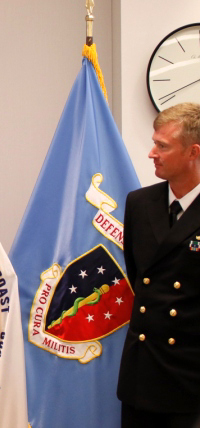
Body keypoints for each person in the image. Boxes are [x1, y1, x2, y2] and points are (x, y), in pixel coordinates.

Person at [118, 102, 200, 428]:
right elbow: (139, 277)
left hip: (190, 377)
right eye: (154, 143)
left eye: (162, 146)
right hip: (142, 374)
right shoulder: (140, 203)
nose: (152, 153)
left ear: (193, 152)